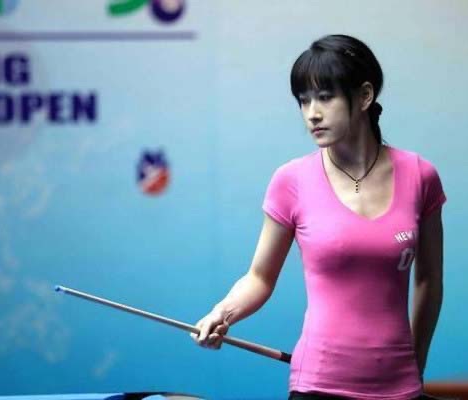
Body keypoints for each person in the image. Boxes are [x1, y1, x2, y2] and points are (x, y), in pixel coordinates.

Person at [190, 34, 446, 400]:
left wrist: (416, 366)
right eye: (303, 100)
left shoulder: (421, 176)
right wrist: (223, 313)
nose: (312, 113)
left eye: (325, 97)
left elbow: (429, 281)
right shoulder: (291, 180)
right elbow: (259, 277)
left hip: (400, 387)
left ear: (364, 96)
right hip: (317, 384)